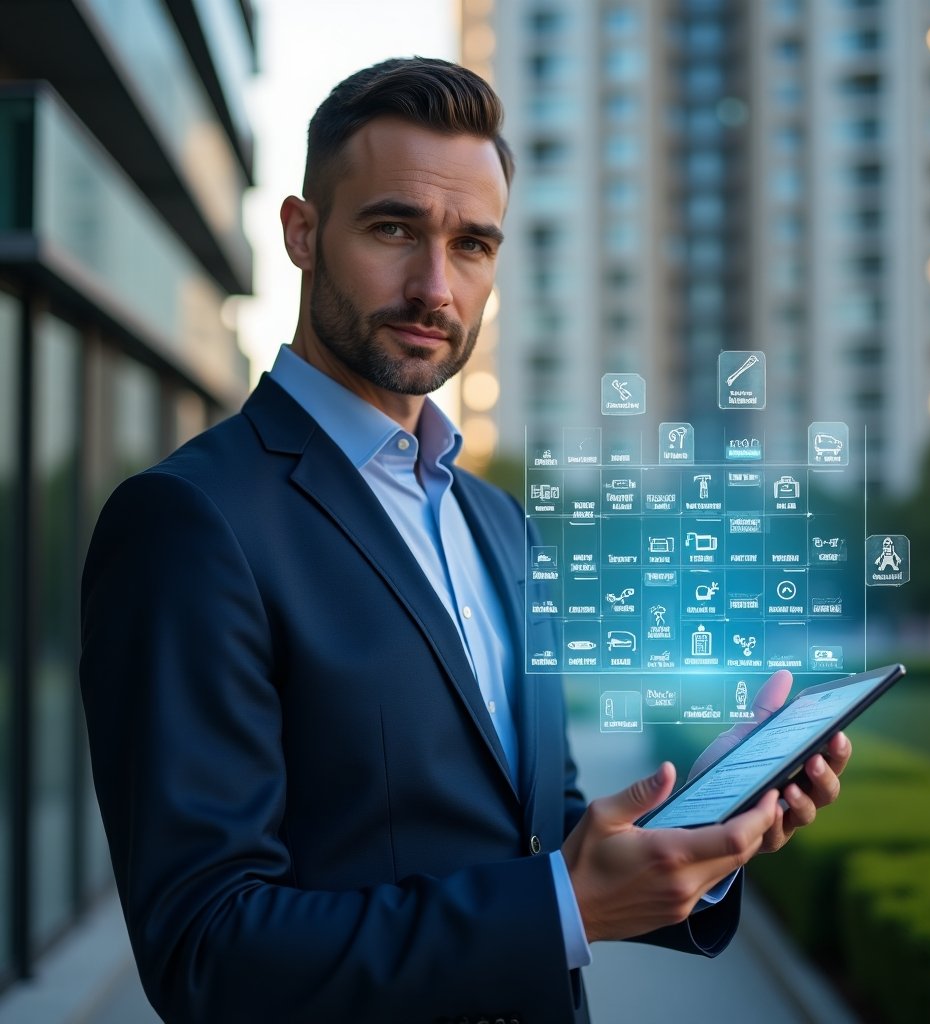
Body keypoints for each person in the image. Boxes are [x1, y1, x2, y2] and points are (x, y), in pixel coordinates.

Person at [79, 57, 850, 1024]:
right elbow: (206, 949)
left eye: (473, 244)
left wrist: (701, 820)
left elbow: (531, 832)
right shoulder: (188, 521)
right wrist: (563, 909)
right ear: (302, 233)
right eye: (394, 229)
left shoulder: (499, 524)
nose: (435, 287)